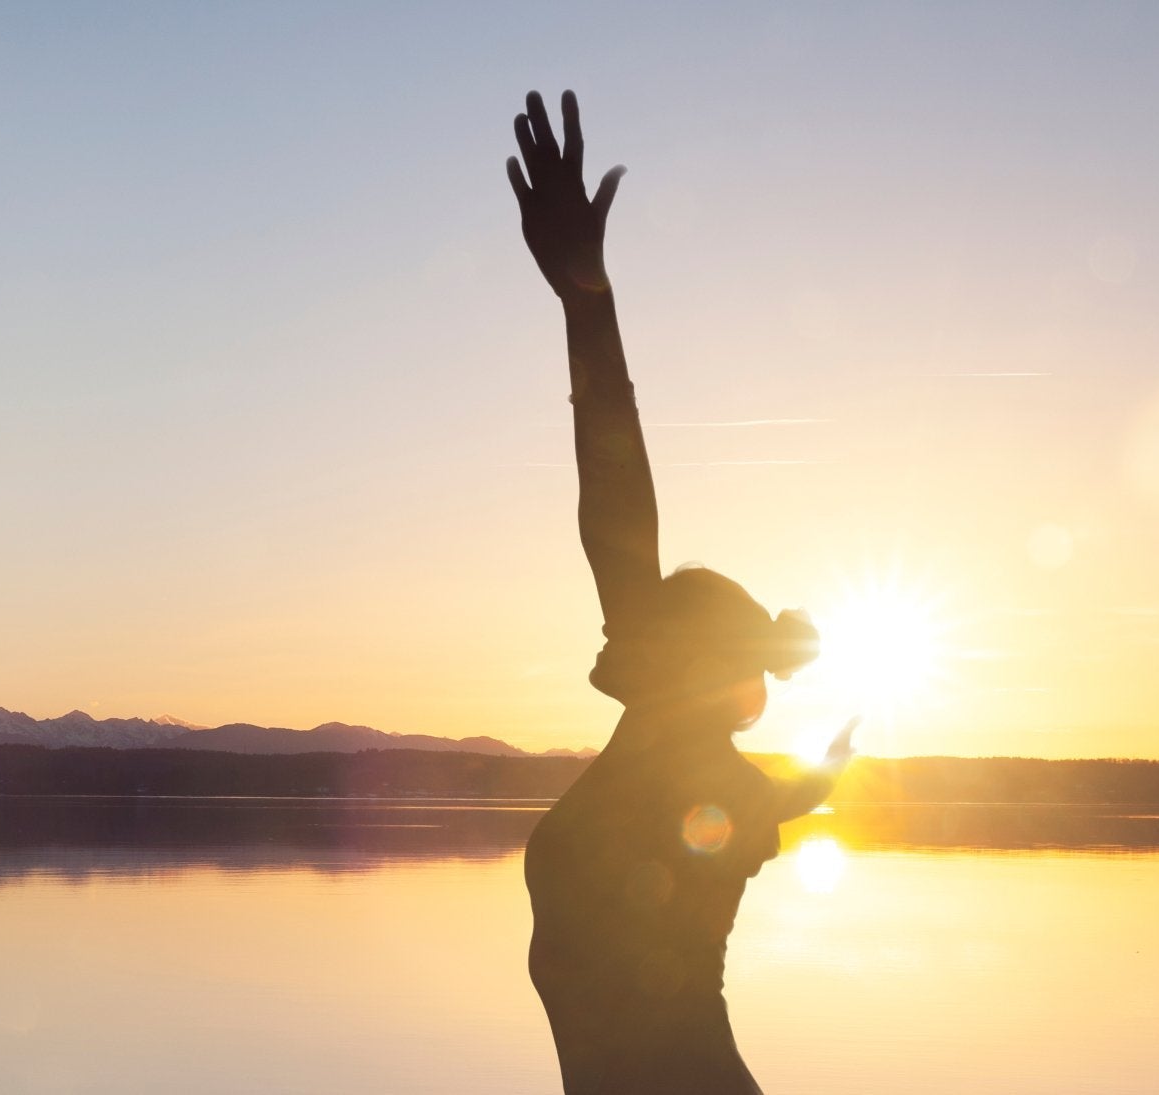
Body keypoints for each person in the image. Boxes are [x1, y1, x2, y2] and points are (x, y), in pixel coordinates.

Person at [508, 90, 857, 1093]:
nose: (625, 600)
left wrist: (587, 302)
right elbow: (798, 793)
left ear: (677, 658)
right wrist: (824, 772)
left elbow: (613, 487)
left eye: (650, 606)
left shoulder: (705, 783)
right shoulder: (712, 781)